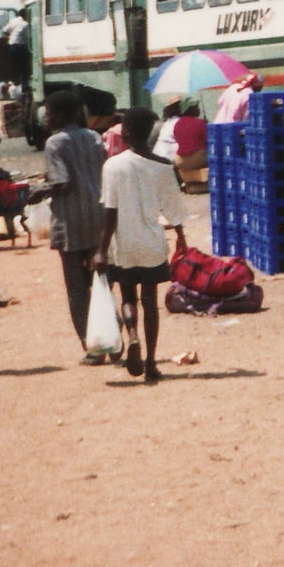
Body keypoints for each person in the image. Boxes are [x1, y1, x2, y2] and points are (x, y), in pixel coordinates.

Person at [95, 107, 189, 384]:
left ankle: (132, 335)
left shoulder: (112, 165)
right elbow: (174, 209)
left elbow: (109, 212)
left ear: (124, 132)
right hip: (151, 242)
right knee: (150, 301)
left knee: (127, 297)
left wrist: (101, 249)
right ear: (150, 133)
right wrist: (181, 236)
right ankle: (151, 363)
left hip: (123, 242)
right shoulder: (163, 165)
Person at [25, 91, 108, 363]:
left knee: (77, 288)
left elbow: (62, 184)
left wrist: (39, 191)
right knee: (100, 283)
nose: (46, 119)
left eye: (49, 113)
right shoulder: (93, 136)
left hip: (71, 221)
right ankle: (112, 338)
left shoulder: (55, 143)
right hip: (97, 217)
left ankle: (92, 346)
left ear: (61, 114)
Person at [4, 9, 31, 86]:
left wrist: (11, 35)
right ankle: (24, 83)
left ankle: (15, 82)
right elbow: (27, 37)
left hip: (11, 45)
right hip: (20, 46)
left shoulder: (13, 21)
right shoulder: (25, 24)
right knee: (24, 66)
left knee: (16, 66)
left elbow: (5, 30)